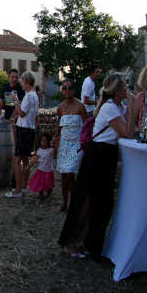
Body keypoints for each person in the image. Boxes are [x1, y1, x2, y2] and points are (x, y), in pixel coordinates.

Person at [57, 73, 138, 258]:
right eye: (125, 86)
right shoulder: (110, 109)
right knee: (87, 201)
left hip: (105, 156)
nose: (127, 89)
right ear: (117, 90)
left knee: (100, 203)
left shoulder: (117, 107)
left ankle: (89, 243)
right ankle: (73, 242)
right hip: (98, 156)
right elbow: (127, 132)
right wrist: (133, 108)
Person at [54, 79, 88, 213]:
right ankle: (64, 202)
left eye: (69, 88)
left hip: (76, 144)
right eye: (64, 88)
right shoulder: (60, 107)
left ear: (74, 90)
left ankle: (75, 202)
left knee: (71, 173)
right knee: (63, 174)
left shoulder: (80, 106)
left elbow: (86, 126)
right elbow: (58, 127)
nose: (67, 90)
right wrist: (55, 142)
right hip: (64, 143)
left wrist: (85, 144)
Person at [5, 72, 39, 198]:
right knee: (25, 160)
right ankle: (24, 187)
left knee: (17, 159)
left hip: (24, 130)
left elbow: (21, 113)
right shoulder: (34, 96)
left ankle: (18, 189)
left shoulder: (29, 96)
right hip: (29, 129)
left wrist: (15, 101)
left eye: (23, 82)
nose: (21, 84)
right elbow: (35, 116)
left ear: (27, 82)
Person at [28, 133, 56, 202]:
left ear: (48, 141)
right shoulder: (39, 150)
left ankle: (49, 190)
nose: (43, 143)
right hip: (40, 170)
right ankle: (41, 193)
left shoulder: (51, 150)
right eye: (42, 141)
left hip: (48, 170)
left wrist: (55, 145)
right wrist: (29, 166)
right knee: (40, 182)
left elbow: (55, 154)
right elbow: (35, 159)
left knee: (48, 182)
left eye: (45, 141)